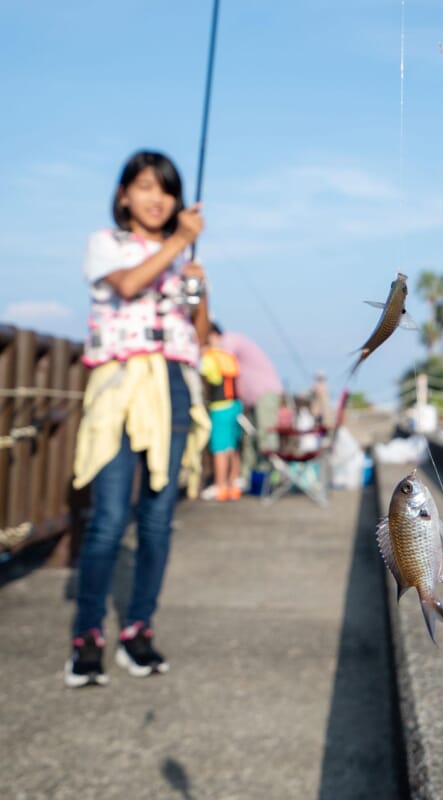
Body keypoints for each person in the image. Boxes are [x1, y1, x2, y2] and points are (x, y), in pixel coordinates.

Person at [65, 150, 208, 688]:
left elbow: (199, 332)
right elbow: (125, 286)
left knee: (157, 518)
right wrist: (178, 242)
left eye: (166, 190)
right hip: (122, 386)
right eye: (145, 186)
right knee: (107, 520)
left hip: (172, 385)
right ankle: (87, 634)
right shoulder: (108, 244)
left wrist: (198, 288)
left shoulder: (183, 261)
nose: (156, 198)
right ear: (124, 193)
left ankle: (138, 628)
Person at [213, 324, 283, 480]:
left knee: (266, 435)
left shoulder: (229, 339)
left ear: (213, 334)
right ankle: (248, 477)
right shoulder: (233, 340)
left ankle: (271, 477)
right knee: (250, 437)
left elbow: (222, 359)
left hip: (265, 392)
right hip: (251, 399)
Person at [200, 327, 243, 501]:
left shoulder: (210, 357)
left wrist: (203, 354)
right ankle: (233, 484)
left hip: (220, 407)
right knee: (232, 447)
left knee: (219, 449)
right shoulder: (230, 357)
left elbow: (207, 375)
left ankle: (220, 486)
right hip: (236, 406)